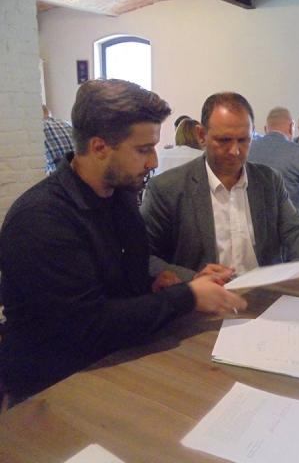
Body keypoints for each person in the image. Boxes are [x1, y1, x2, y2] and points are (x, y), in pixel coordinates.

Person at [0, 80, 246, 403]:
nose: (153, 162)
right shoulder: (41, 221)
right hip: (54, 389)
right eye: (143, 149)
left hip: (114, 362)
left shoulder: (119, 196)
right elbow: (89, 327)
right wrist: (186, 296)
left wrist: (155, 284)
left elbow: (117, 283)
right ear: (99, 147)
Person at [140, 93, 299, 282]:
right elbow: (143, 257)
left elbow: (294, 228)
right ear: (201, 135)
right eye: (224, 140)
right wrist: (192, 278)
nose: (235, 151)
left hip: (265, 294)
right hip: (203, 299)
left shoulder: (268, 181)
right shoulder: (168, 188)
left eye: (244, 140)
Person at [248, 107, 299, 227]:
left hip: (258, 227)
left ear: (266, 129)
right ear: (292, 127)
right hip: (294, 229)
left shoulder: (247, 150)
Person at [42, 104, 75, 174]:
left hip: (56, 176)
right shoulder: (68, 124)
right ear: (49, 113)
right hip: (78, 174)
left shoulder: (38, 131)